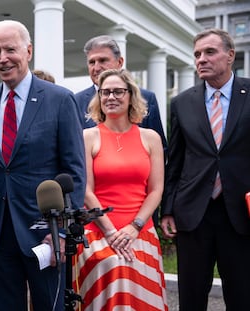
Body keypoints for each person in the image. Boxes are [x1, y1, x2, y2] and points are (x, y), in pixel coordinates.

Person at [0, 20, 85, 311]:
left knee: (49, 305)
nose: (3, 58)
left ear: (29, 51)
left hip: (44, 230)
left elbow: (74, 170)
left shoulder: (59, 99)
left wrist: (60, 230)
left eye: (10, 49)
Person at [161, 28, 250, 311]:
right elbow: (174, 161)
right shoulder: (181, 102)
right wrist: (168, 209)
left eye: (210, 52)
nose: (201, 59)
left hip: (241, 214)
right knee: (191, 298)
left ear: (230, 56)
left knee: (242, 296)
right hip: (193, 214)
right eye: (197, 54)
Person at [74, 68, 167, 310]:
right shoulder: (87, 137)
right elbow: (85, 190)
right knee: (111, 265)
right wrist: (111, 231)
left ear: (131, 96)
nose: (111, 97)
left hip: (140, 230)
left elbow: (156, 190)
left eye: (118, 91)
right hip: (98, 232)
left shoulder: (151, 138)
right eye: (105, 92)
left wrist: (134, 227)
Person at [76, 35, 167, 227]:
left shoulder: (146, 98)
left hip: (139, 214)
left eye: (102, 60)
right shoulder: (75, 102)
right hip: (93, 217)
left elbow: (161, 156)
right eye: (91, 62)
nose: (96, 67)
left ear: (120, 62)